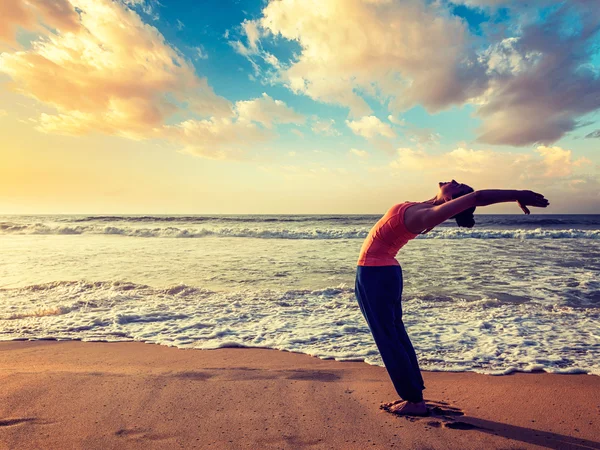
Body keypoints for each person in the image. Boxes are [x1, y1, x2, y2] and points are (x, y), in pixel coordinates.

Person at [354, 180, 549, 415]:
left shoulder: (426, 215)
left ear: (451, 200)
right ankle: (414, 393)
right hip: (380, 273)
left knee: (388, 338)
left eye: (458, 186)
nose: (454, 181)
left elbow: (477, 197)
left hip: (376, 273)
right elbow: (469, 199)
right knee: (394, 335)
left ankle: (414, 400)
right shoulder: (425, 207)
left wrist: (516, 194)